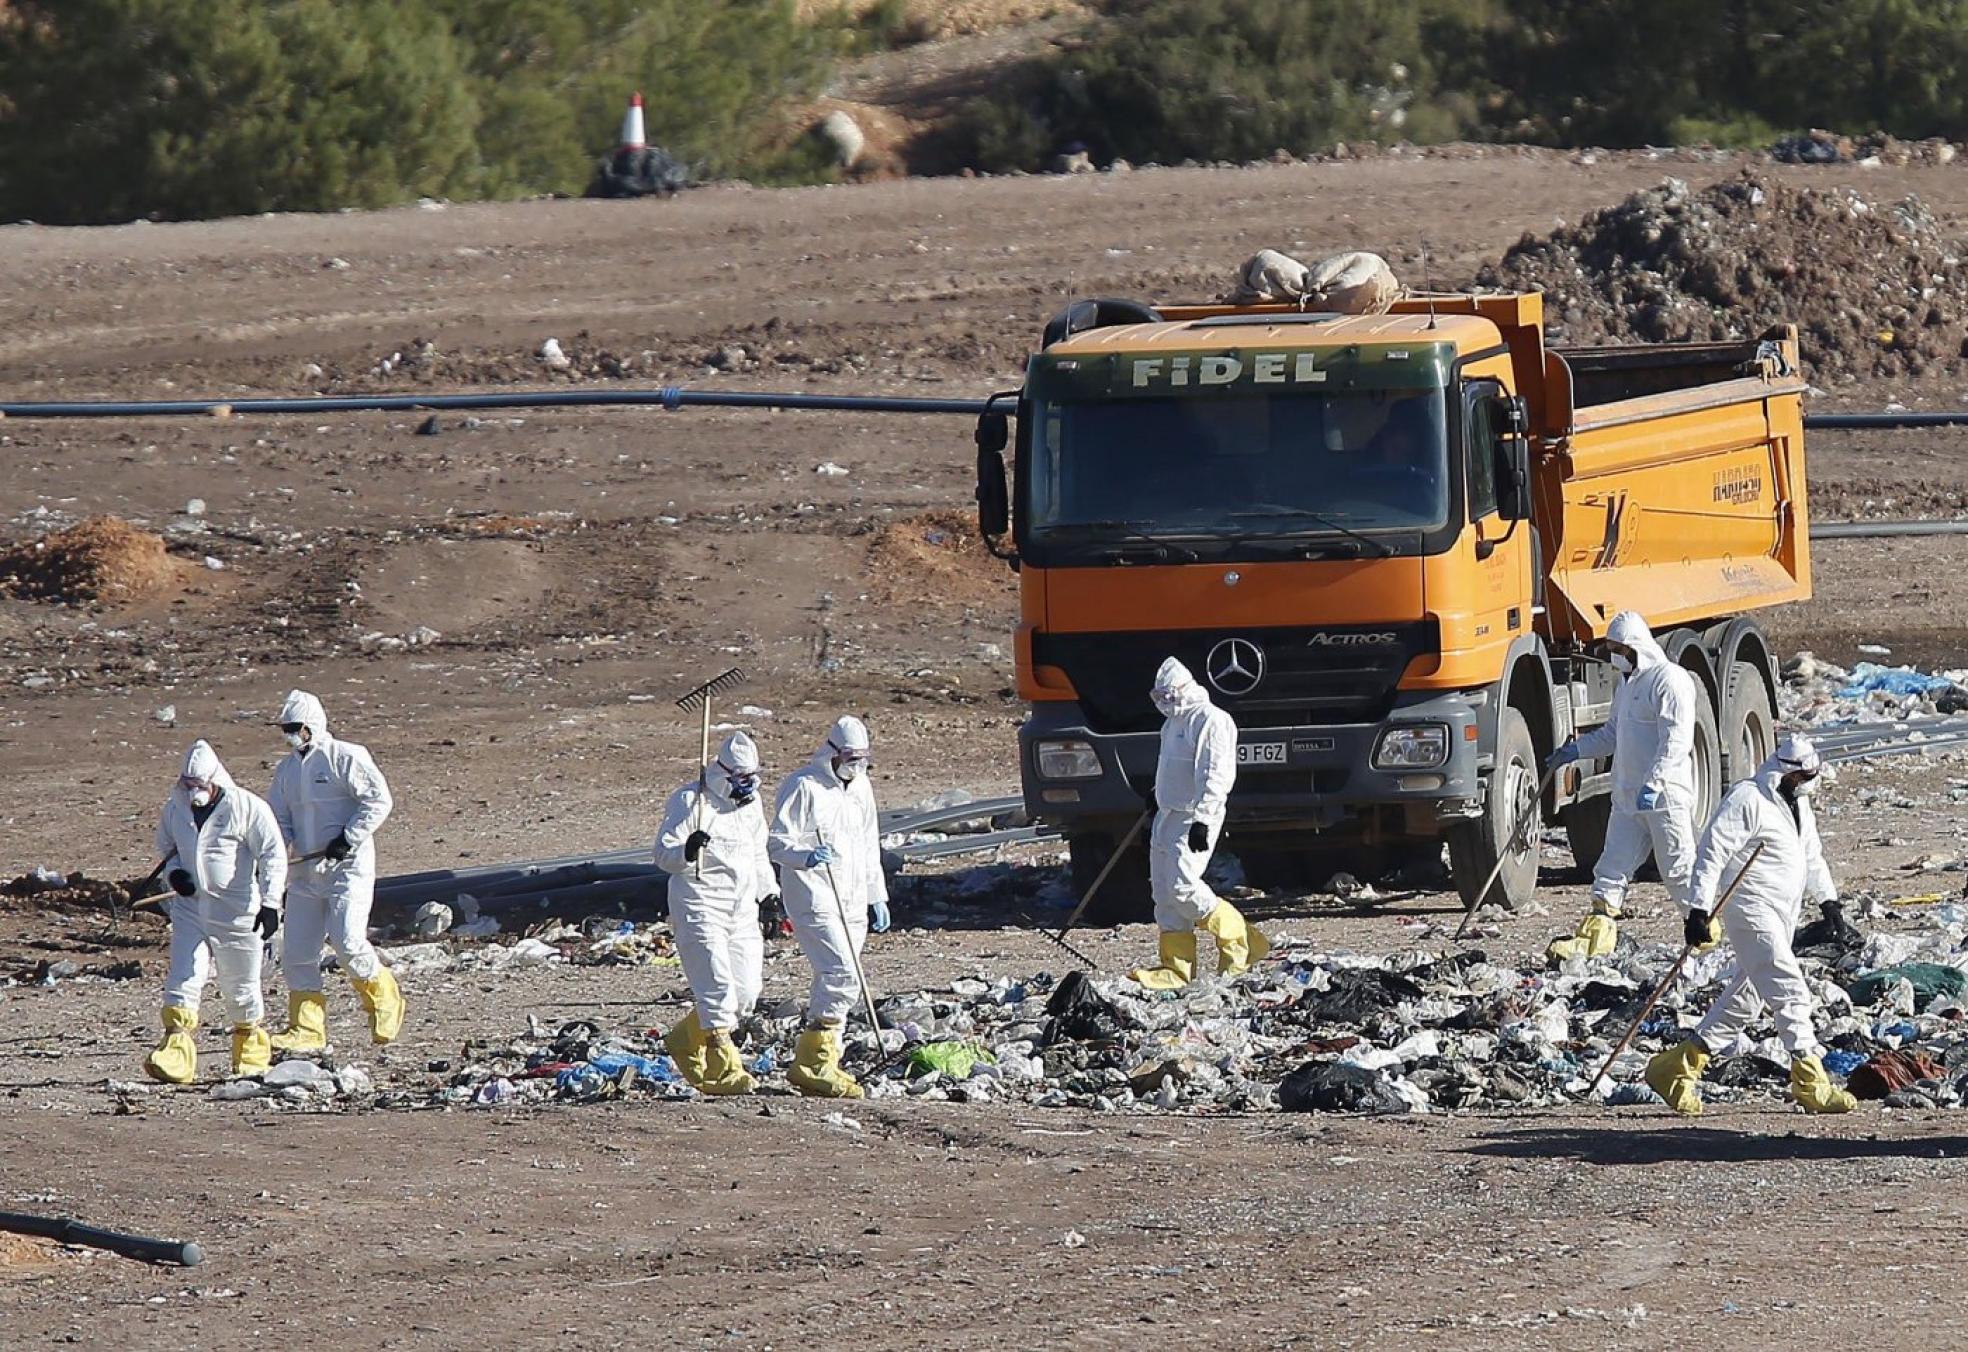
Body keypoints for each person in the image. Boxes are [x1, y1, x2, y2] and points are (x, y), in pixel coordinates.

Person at [1645, 733, 1858, 1116]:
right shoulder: (1748, 799)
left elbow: (1812, 855)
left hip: (1780, 913)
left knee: (1749, 996)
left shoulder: (1798, 804)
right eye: (1809, 774)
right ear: (1791, 773)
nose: (1814, 780)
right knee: (1790, 989)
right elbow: (1712, 852)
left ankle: (1676, 1068)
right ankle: (1810, 1081)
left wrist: (1829, 902)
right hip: (1750, 910)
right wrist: (1698, 909)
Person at [1545, 612, 1698, 961]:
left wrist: (1655, 782)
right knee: (1611, 869)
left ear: (1635, 647)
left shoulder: (1668, 680)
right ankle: (1596, 941)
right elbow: (1613, 734)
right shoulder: (1627, 686)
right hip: (1629, 798)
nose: (1613, 655)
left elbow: (1676, 740)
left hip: (1663, 796)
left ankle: (1705, 933)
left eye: (1618, 649)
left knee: (1678, 871)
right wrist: (1574, 751)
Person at [144, 740, 287, 1084]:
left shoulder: (246, 807)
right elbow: (167, 847)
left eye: (200, 785)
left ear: (215, 780)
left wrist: (270, 903)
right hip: (191, 910)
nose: (194, 791)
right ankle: (177, 1052)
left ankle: (250, 1051)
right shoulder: (176, 809)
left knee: (241, 984)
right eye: (188, 784)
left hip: (236, 912)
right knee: (184, 976)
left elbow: (272, 855)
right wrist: (175, 874)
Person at [266, 689, 402, 1050]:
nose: (289, 734)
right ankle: (307, 1028)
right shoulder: (287, 771)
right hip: (305, 873)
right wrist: (277, 852)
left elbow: (378, 799)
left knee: (347, 942)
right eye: (285, 728)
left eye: (295, 727)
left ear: (312, 725)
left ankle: (384, 998)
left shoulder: (346, 756)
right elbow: (277, 818)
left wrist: (349, 837)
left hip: (347, 868)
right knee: (297, 952)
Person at [767, 715, 891, 1098]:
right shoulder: (803, 786)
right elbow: (775, 842)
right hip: (814, 894)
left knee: (836, 977)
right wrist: (806, 856)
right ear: (832, 754)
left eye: (863, 759)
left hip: (852, 896)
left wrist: (877, 894)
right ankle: (814, 1062)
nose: (856, 766)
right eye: (850, 758)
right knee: (842, 975)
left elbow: (870, 842)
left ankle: (821, 1061)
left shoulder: (862, 788)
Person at [1130, 657, 1269, 989]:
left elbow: (1215, 774)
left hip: (1194, 815)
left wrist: (1203, 820)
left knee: (1183, 886)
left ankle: (1241, 940)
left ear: (1184, 689)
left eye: (1168, 695)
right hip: (1169, 814)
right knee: (1164, 890)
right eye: (1158, 697)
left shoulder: (1211, 720)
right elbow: (1174, 766)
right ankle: (1176, 969)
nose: (1164, 703)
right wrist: (1156, 793)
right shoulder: (1172, 723)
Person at [654, 731, 772, 1096]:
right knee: (717, 984)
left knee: (745, 992)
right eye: (740, 779)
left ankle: (686, 1037)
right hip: (700, 903)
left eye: (752, 778)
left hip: (741, 908)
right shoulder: (692, 802)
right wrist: (687, 851)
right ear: (723, 774)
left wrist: (768, 894)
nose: (747, 786)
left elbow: (757, 853)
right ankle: (723, 1066)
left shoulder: (750, 807)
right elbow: (663, 854)